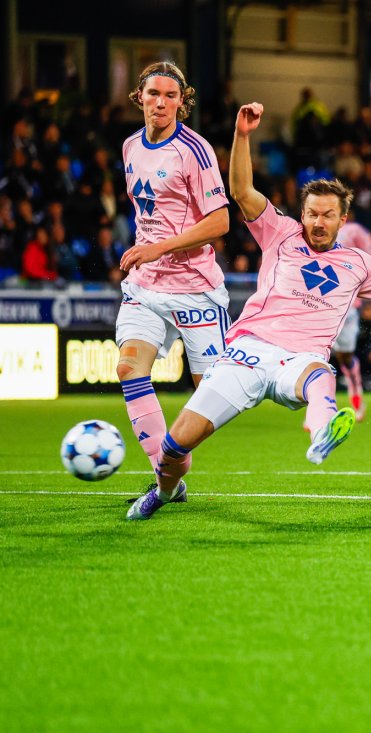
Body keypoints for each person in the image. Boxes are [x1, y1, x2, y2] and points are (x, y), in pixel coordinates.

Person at [126, 102, 371, 521]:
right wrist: (242, 136)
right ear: (302, 213)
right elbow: (240, 192)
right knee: (175, 447)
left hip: (300, 359)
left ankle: (322, 430)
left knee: (321, 376)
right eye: (311, 213)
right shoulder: (279, 232)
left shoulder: (358, 264)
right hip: (248, 351)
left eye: (327, 215)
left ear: (342, 219)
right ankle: (167, 491)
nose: (317, 222)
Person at [116, 61, 231, 477]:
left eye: (170, 96)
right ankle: (165, 474)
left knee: (214, 396)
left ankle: (172, 453)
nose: (160, 102)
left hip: (194, 288)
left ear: (182, 103)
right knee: (129, 368)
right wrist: (146, 251)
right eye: (153, 94)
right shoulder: (130, 147)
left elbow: (220, 223)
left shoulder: (195, 150)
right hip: (145, 286)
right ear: (139, 98)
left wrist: (157, 248)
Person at [328, 217, 371, 420]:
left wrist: (367, 297)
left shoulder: (355, 231)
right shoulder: (316, 230)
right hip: (322, 302)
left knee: (345, 356)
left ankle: (356, 395)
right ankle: (321, 407)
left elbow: (370, 262)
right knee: (317, 355)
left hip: (348, 304)